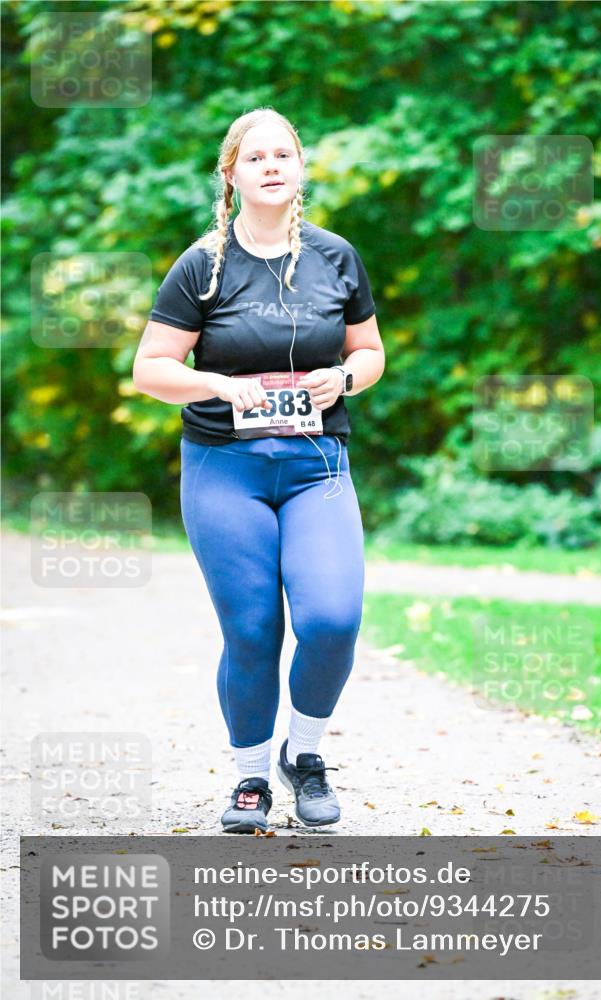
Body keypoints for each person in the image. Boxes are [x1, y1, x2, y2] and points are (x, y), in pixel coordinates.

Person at [133, 107, 384, 834]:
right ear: (232, 174)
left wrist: (346, 378)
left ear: (299, 168)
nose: (272, 165)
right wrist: (218, 385)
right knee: (251, 632)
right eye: (255, 157)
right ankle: (249, 780)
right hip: (224, 467)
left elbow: (369, 353)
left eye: (284, 154)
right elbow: (150, 369)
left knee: (332, 618)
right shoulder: (202, 265)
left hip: (315, 465)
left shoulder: (335, 256)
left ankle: (301, 757)